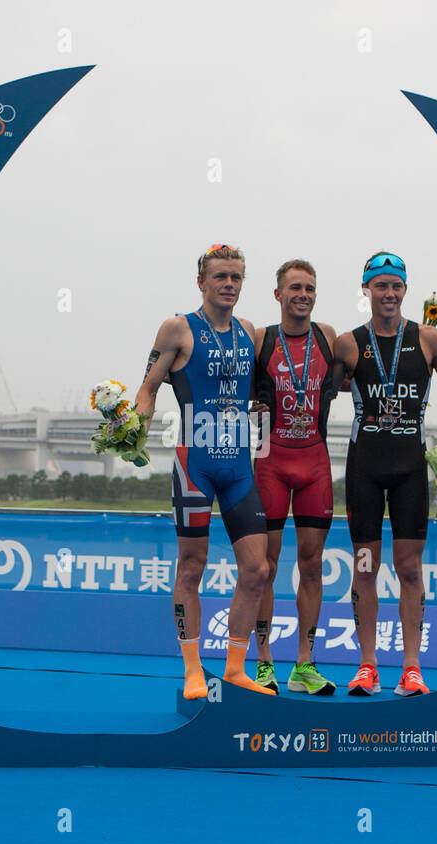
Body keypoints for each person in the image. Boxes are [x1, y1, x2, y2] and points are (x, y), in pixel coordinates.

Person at [134, 244, 275, 700]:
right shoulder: (177, 328)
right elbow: (148, 386)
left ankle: (235, 668)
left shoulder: (249, 331)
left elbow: (244, 390)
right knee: (192, 567)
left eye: (236, 277)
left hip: (238, 463)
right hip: (194, 463)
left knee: (257, 569)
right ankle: (194, 671)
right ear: (202, 282)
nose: (229, 284)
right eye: (220, 277)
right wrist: (134, 426)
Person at [329, 251, 437, 696]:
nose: (388, 293)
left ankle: (412, 669)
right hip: (365, 467)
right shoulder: (348, 344)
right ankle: (367, 666)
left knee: (409, 568)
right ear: (366, 290)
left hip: (410, 467)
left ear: (406, 290)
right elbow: (316, 395)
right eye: (380, 285)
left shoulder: (429, 339)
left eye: (396, 285)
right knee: (366, 566)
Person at [249, 260, 339, 695]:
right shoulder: (261, 339)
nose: (303, 294)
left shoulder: (329, 337)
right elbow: (236, 386)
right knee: (264, 567)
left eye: (309, 288)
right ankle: (263, 662)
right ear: (278, 294)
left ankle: (304, 664)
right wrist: (249, 409)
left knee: (312, 566)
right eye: (294, 288)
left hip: (315, 463)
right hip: (270, 461)